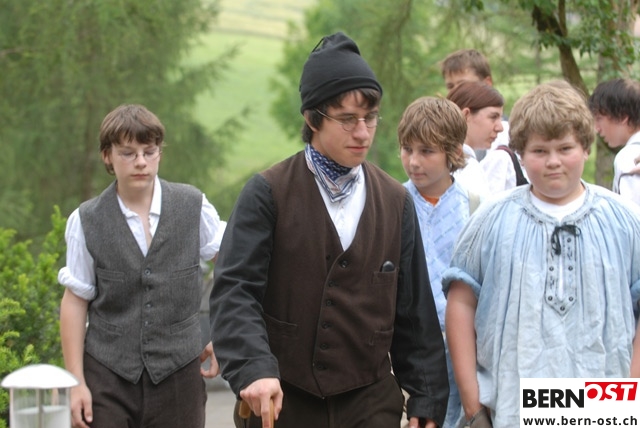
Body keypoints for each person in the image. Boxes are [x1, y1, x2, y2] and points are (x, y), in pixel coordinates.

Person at [209, 32, 449, 428]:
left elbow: (414, 312)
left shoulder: (396, 201)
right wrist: (253, 368)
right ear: (312, 117)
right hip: (283, 400)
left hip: (370, 403)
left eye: (370, 118)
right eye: (348, 119)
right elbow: (236, 291)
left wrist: (426, 397)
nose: (363, 132)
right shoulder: (267, 193)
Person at [442, 81, 640, 428]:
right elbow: (461, 304)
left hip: (603, 408)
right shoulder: (491, 219)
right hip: (511, 408)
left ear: (585, 147)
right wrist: (473, 406)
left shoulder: (624, 220)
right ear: (520, 153)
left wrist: (631, 396)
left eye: (565, 148)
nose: (553, 162)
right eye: (539, 151)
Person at [58, 104, 225, 428]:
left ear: (159, 153)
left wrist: (225, 334)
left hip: (179, 376)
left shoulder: (193, 206)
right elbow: (75, 301)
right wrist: (76, 383)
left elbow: (236, 269)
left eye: (149, 152)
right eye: (128, 153)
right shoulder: (86, 220)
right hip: (107, 376)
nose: (140, 162)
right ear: (107, 156)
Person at [397, 96, 480, 428]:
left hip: (465, 348)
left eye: (427, 151)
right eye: (407, 149)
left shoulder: (476, 208)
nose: (414, 161)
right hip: (409, 353)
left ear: (453, 152)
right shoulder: (391, 204)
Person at [440, 49, 527, 193]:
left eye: (463, 85)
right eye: (450, 86)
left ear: (487, 83)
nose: (455, 92)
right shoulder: (438, 143)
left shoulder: (508, 140)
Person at [446, 81, 505, 198]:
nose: (500, 127)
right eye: (493, 117)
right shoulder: (464, 168)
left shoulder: (452, 163)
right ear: (466, 115)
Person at [589, 77, 640, 207]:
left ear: (622, 116)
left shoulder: (629, 157)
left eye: (599, 118)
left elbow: (632, 214)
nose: (597, 128)